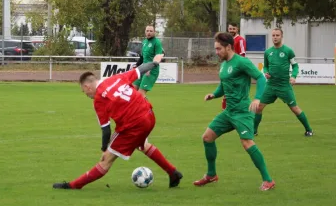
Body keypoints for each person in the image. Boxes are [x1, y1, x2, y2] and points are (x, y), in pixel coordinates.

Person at [53, 55, 183, 190]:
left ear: (87, 86)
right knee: (143, 145)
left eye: (83, 91)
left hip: (134, 124)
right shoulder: (116, 78)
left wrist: (105, 149)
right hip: (149, 115)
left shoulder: (98, 99)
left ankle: (73, 185)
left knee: (106, 161)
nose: (85, 94)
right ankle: (172, 172)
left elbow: (106, 129)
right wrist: (155, 63)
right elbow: (141, 69)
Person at [193, 32, 275, 191]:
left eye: (218, 49)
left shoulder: (241, 62)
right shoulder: (224, 64)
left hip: (243, 111)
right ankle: (211, 175)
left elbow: (261, 78)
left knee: (247, 142)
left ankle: (268, 180)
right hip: (229, 111)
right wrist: (214, 94)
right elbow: (224, 85)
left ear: (229, 47)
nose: (216, 52)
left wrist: (257, 98)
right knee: (207, 137)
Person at [252, 28, 313, 137]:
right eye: (273, 35)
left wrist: (293, 76)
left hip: (284, 86)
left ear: (281, 36)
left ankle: (309, 130)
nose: (275, 37)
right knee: (259, 107)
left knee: (295, 108)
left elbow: (295, 66)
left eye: (277, 35)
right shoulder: (268, 52)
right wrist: (266, 72)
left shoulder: (288, 51)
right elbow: (265, 66)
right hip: (270, 85)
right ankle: (254, 131)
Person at [133, 25, 164, 97]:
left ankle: (148, 108)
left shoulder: (157, 42)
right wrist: (136, 65)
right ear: (145, 32)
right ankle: (137, 108)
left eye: (151, 31)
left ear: (154, 32)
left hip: (151, 70)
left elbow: (158, 57)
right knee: (133, 90)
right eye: (147, 31)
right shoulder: (144, 42)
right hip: (143, 69)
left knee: (140, 94)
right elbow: (142, 57)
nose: (149, 32)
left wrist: (149, 68)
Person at [221, 22, 247, 110]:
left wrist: (238, 68)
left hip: (236, 69)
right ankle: (225, 113)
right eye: (230, 29)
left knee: (235, 93)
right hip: (228, 68)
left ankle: (237, 111)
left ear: (237, 29)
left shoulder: (240, 40)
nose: (231, 30)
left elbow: (242, 54)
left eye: (233, 29)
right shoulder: (227, 41)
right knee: (226, 92)